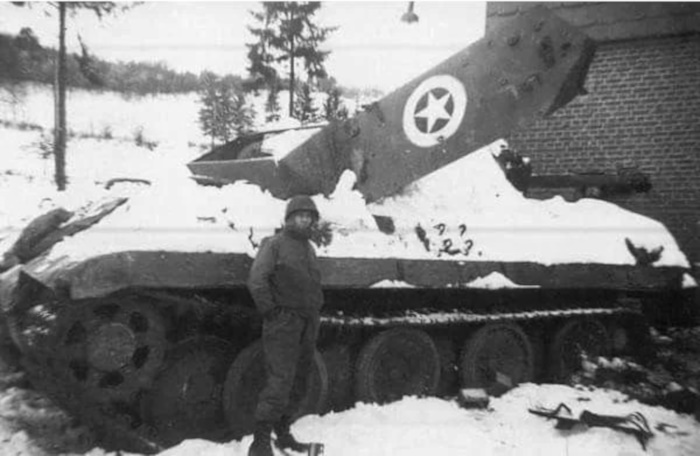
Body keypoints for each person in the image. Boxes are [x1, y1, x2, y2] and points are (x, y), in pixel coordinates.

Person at [247, 195, 324, 456]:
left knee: (300, 380)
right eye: (300, 216)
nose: (305, 220)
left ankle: (283, 434)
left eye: (309, 217)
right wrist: (271, 311)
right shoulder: (275, 244)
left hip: (307, 321)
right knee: (280, 380)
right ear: (289, 218)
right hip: (284, 322)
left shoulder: (309, 248)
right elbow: (257, 279)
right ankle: (259, 443)